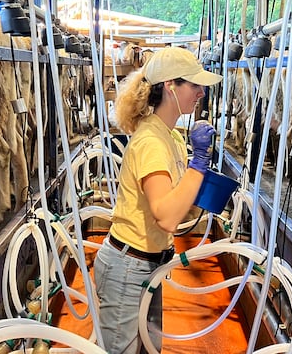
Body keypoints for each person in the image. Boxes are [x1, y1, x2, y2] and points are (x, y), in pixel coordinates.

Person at [94, 47, 223, 353]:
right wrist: (199, 164)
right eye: (193, 85)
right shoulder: (151, 141)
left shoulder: (172, 136)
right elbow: (166, 216)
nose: (201, 92)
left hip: (150, 263)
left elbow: (180, 202)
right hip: (129, 266)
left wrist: (204, 183)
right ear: (170, 86)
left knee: (150, 348)